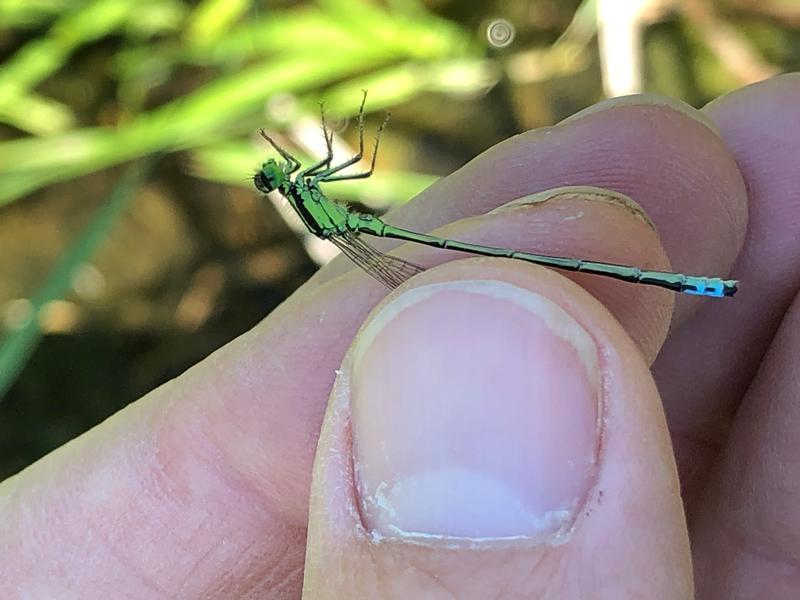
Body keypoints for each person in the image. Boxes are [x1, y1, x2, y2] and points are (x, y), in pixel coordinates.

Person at [2, 74, 798, 599]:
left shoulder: (309, 191)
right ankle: (688, 281)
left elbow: (349, 162)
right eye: (280, 180)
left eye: (278, 178)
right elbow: (359, 160)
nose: (281, 179)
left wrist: (321, 141)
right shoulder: (323, 204)